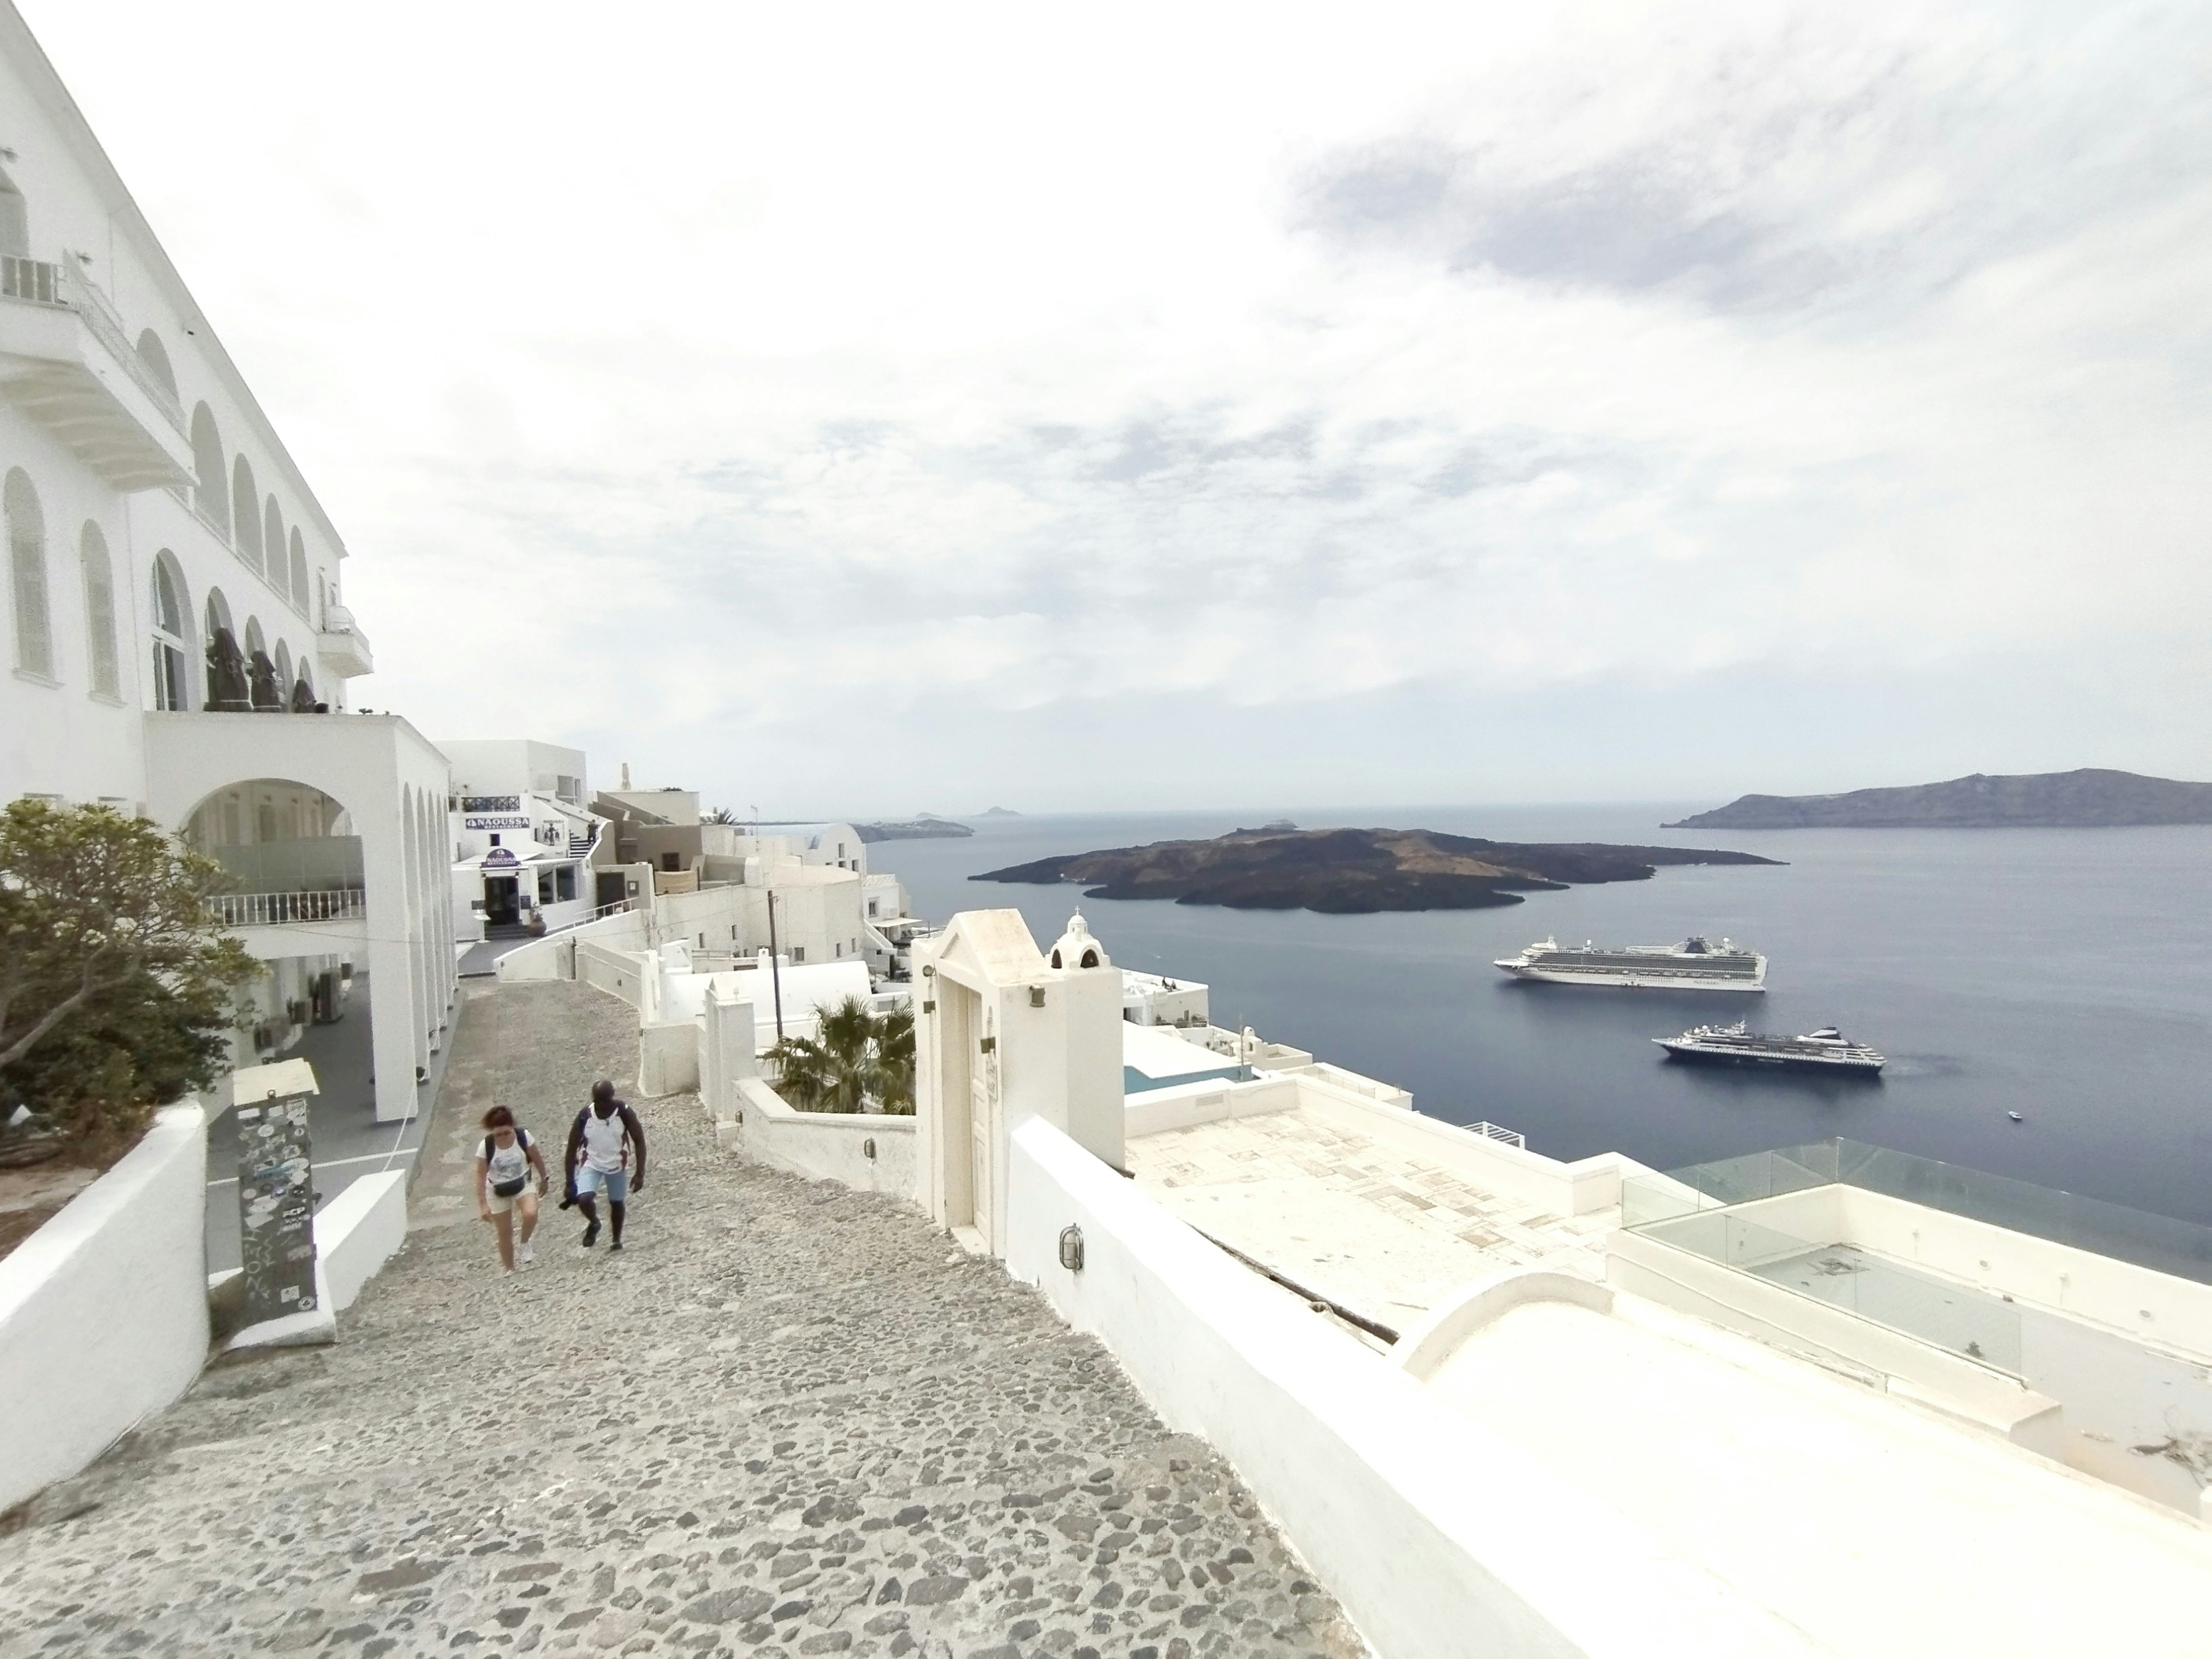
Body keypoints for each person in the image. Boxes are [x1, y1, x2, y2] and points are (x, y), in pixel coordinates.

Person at [565, 1080, 647, 1251]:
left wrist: (640, 1173)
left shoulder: (624, 1113)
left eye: (606, 1101)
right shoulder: (585, 1116)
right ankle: (594, 1222)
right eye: (599, 1102)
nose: (603, 1106)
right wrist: (570, 1182)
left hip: (617, 1163)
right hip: (591, 1162)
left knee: (617, 1202)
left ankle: (616, 1240)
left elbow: (639, 1141)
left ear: (612, 1098)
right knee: (584, 1198)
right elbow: (572, 1147)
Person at [474, 1105, 551, 1275]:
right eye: (498, 1134)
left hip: (522, 1182)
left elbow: (537, 1158)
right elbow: (480, 1176)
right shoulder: (485, 1146)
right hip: (497, 1189)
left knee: (530, 1213)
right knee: (504, 1231)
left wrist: (544, 1178)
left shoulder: (523, 1137)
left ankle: (525, 1242)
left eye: (506, 1133)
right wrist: (483, 1205)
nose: (502, 1137)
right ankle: (509, 1268)